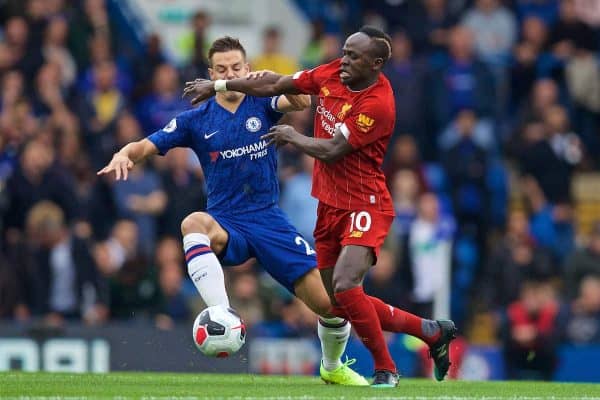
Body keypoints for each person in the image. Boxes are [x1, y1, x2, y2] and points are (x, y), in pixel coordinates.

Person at [183, 26, 457, 387]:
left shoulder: (377, 102)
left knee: (345, 285)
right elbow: (275, 84)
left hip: (365, 202)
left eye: (354, 57)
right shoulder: (331, 73)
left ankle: (386, 369)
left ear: (375, 64)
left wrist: (293, 136)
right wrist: (219, 86)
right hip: (329, 204)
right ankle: (431, 332)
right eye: (344, 52)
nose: (344, 61)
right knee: (336, 304)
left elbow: (331, 149)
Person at [98, 36, 366, 386]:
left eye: (236, 68)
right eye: (222, 69)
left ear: (247, 69)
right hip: (226, 221)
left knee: (332, 308)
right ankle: (220, 312)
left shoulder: (264, 103)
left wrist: (274, 79)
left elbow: (300, 99)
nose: (229, 74)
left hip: (269, 220)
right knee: (192, 222)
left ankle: (331, 367)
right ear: (211, 73)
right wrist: (124, 154)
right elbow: (146, 144)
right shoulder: (195, 121)